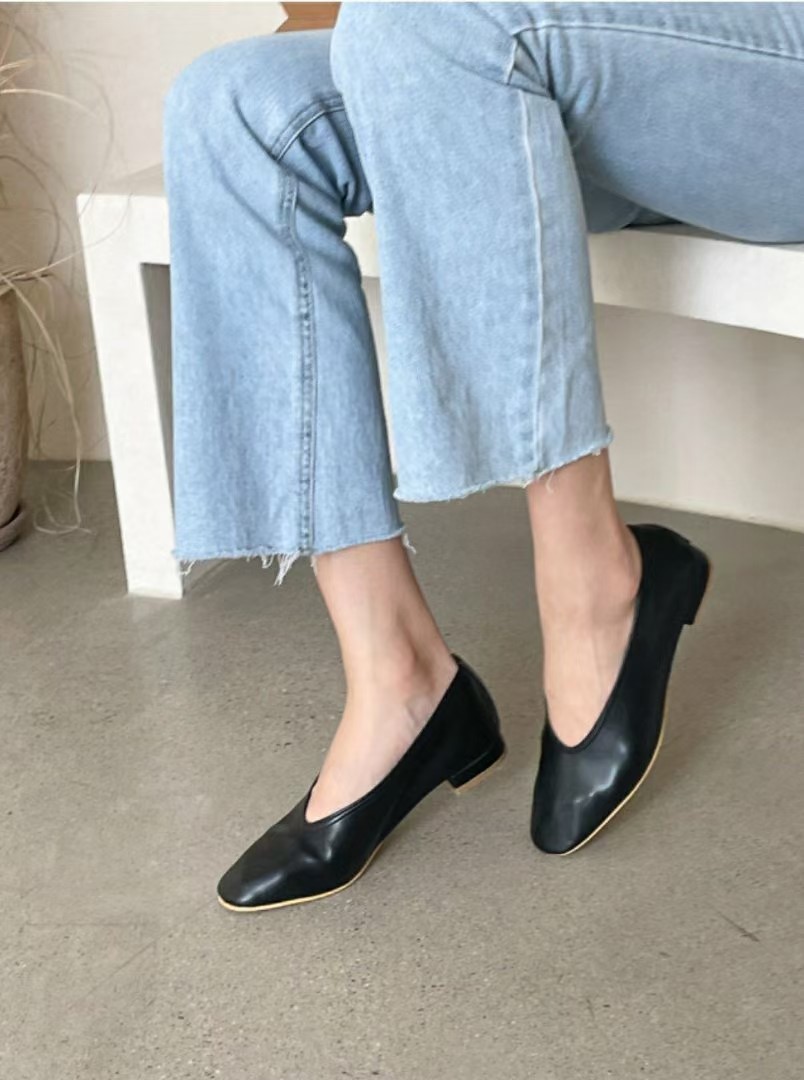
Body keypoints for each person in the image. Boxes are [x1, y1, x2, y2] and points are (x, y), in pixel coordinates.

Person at [163, 2, 804, 911]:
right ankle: (398, 674)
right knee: (230, 105)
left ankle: (596, 584)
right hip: (609, 68)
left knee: (426, 16)